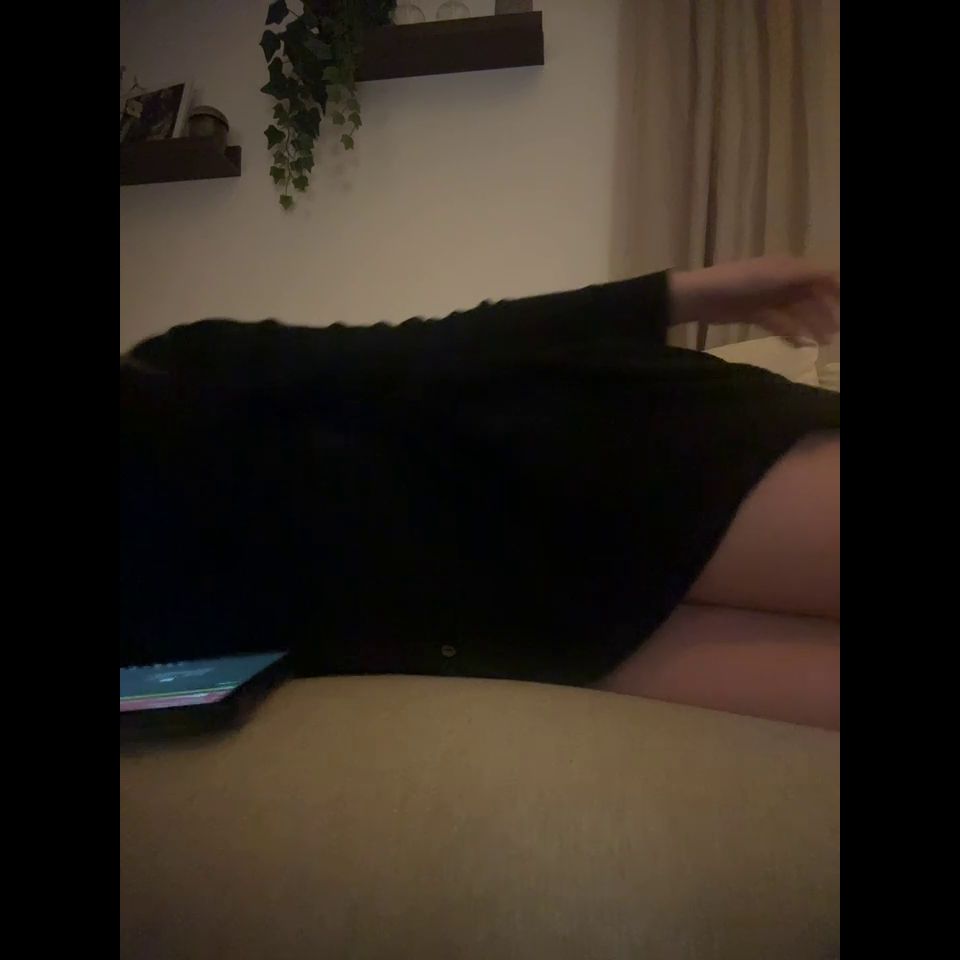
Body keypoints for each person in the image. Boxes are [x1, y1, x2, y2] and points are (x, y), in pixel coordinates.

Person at [120, 256, 839, 729]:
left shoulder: (170, 374)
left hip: (587, 461)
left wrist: (687, 293)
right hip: (526, 640)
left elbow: (431, 349)